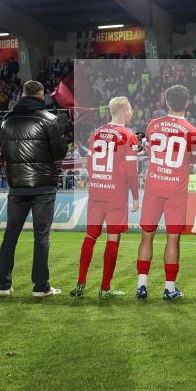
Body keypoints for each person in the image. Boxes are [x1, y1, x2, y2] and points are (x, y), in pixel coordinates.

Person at [0, 80, 68, 297]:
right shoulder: (49, 119)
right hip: (43, 185)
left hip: (17, 185)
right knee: (41, 236)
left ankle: (3, 285)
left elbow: (4, 152)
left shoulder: (6, 120)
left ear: (22, 94)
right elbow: (60, 152)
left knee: (10, 235)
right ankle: (40, 286)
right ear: (41, 95)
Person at [136, 85, 196, 300]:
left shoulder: (154, 124)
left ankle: (141, 286)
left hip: (154, 187)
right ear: (187, 103)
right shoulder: (192, 131)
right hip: (176, 190)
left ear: (166, 102)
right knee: (173, 239)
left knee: (147, 236)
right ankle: (169, 288)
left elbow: (147, 149)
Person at [71, 96, 139, 299]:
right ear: (125, 111)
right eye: (130, 110)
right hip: (116, 195)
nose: (132, 114)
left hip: (97, 193)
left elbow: (89, 165)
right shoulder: (128, 136)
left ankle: (81, 284)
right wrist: (135, 196)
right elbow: (132, 172)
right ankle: (105, 288)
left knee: (90, 237)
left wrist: (98, 182)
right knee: (112, 238)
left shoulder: (96, 134)